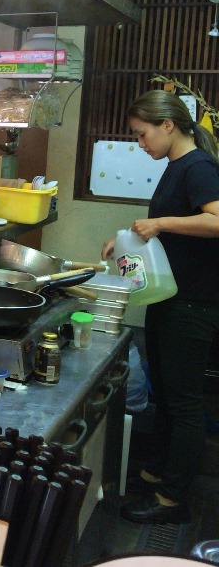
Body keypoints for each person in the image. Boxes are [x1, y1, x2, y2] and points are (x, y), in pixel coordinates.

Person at [101, 90, 219, 525]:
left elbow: (217, 219)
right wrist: (125, 238)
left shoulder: (198, 167)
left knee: (183, 402)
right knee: (165, 394)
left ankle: (173, 499)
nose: (140, 143)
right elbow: (171, 231)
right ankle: (157, 473)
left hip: (194, 303)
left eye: (142, 134)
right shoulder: (176, 165)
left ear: (168, 125)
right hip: (172, 298)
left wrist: (160, 223)